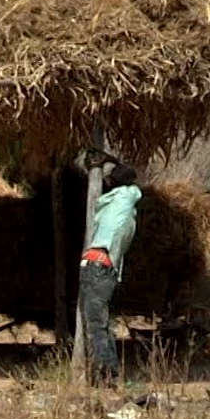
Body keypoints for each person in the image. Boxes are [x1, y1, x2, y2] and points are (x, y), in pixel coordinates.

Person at [78, 159, 141, 386]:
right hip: (105, 270)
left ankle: (106, 376)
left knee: (95, 326)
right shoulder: (122, 211)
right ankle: (110, 374)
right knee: (102, 325)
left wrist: (104, 162)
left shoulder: (123, 199)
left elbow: (129, 188)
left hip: (96, 268)